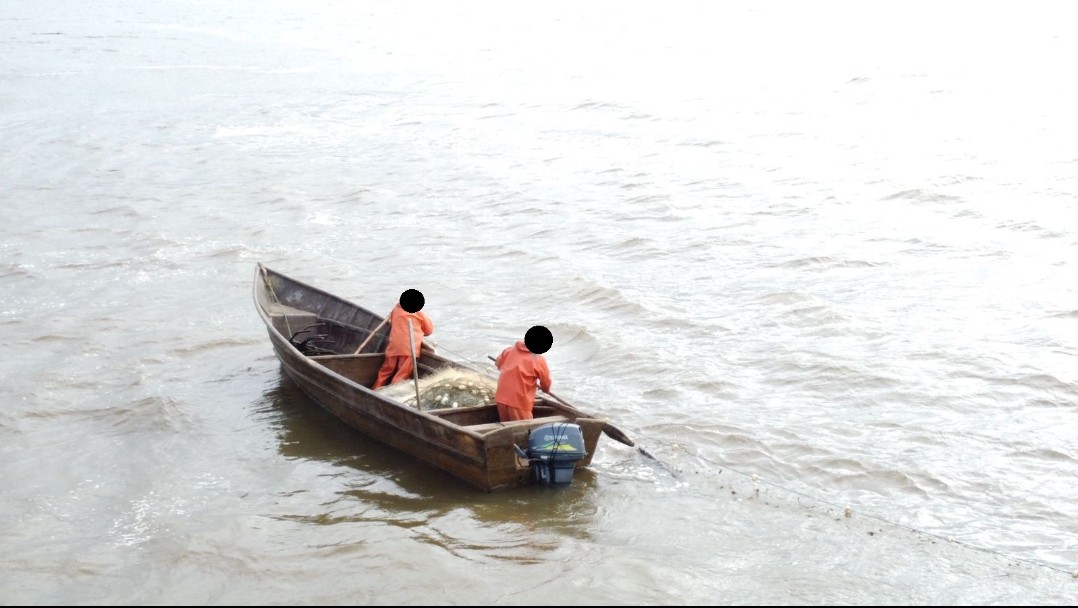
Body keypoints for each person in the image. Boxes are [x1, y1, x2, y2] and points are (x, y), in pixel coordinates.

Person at [371, 289, 434, 390]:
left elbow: (392, 321)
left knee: (386, 370)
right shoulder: (419, 313)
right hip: (409, 348)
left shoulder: (396, 309)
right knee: (402, 374)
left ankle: (375, 389)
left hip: (393, 346)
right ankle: (392, 394)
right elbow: (429, 331)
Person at [494, 325, 553, 422]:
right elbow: (546, 382)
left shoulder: (509, 350)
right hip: (519, 401)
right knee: (525, 430)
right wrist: (545, 390)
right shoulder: (538, 359)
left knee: (506, 425)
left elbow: (498, 364)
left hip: (501, 397)